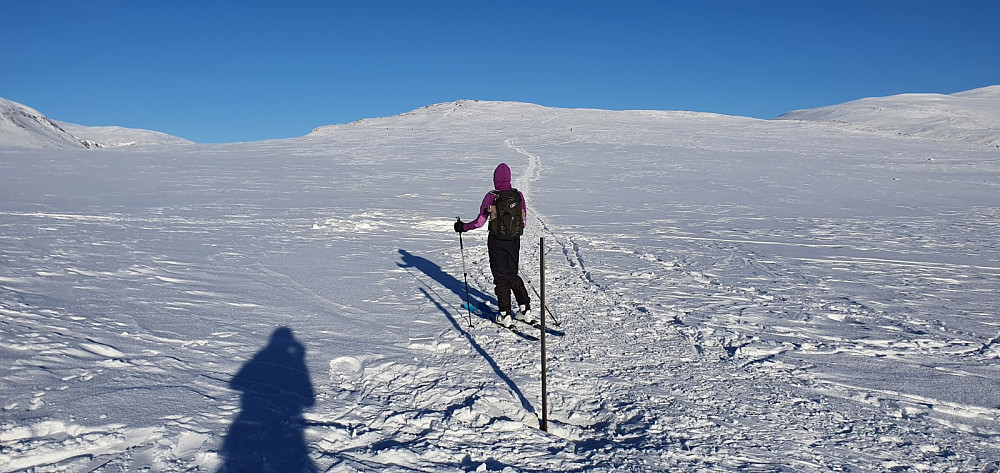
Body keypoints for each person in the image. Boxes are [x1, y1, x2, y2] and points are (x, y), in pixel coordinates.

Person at [454, 163, 533, 327]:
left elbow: (479, 222)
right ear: (509, 178)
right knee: (512, 273)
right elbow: (523, 222)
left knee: (500, 277)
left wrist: (463, 227)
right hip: (514, 240)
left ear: (495, 179)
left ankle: (505, 314)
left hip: (496, 241)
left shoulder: (492, 196)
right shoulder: (518, 195)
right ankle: (525, 310)